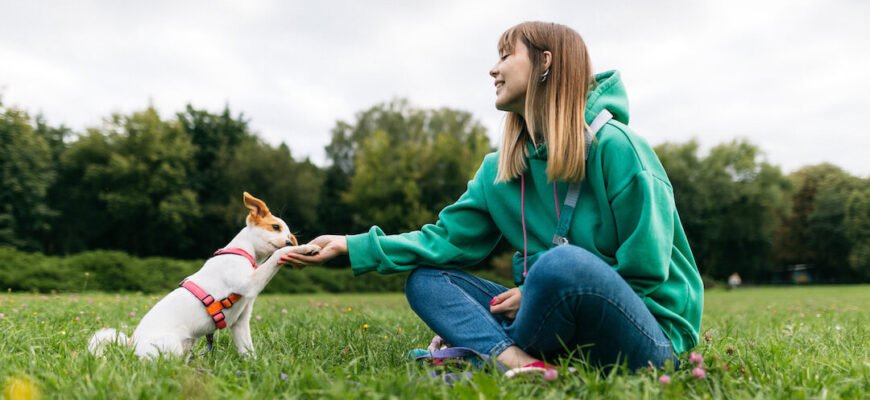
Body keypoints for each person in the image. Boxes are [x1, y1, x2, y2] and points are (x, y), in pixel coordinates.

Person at [281, 21, 703, 376]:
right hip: (554, 321)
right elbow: (443, 241)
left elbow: (647, 268)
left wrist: (542, 287)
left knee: (561, 263)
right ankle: (517, 361)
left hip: (647, 337)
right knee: (428, 279)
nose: (493, 70)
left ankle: (479, 349)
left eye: (505, 56)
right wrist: (350, 244)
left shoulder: (618, 147)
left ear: (544, 63)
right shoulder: (499, 169)